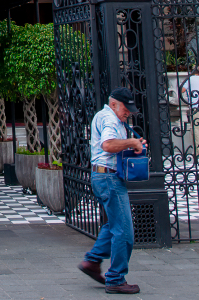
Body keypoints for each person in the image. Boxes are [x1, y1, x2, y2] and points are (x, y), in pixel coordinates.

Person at [79, 87, 145, 294]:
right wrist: (132, 142)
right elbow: (107, 145)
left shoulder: (103, 116)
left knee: (114, 224)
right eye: (126, 109)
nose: (129, 113)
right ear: (114, 103)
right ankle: (116, 278)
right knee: (124, 230)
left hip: (103, 176)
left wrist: (130, 143)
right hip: (109, 177)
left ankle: (92, 261)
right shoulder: (110, 119)